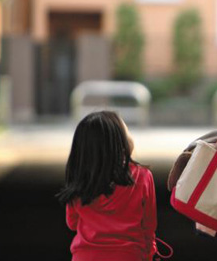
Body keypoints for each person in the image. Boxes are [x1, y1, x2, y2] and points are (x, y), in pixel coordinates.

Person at [57, 111, 157, 261]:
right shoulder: (143, 177)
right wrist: (149, 254)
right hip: (129, 256)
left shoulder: (80, 178)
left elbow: (72, 223)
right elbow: (149, 225)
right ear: (120, 142)